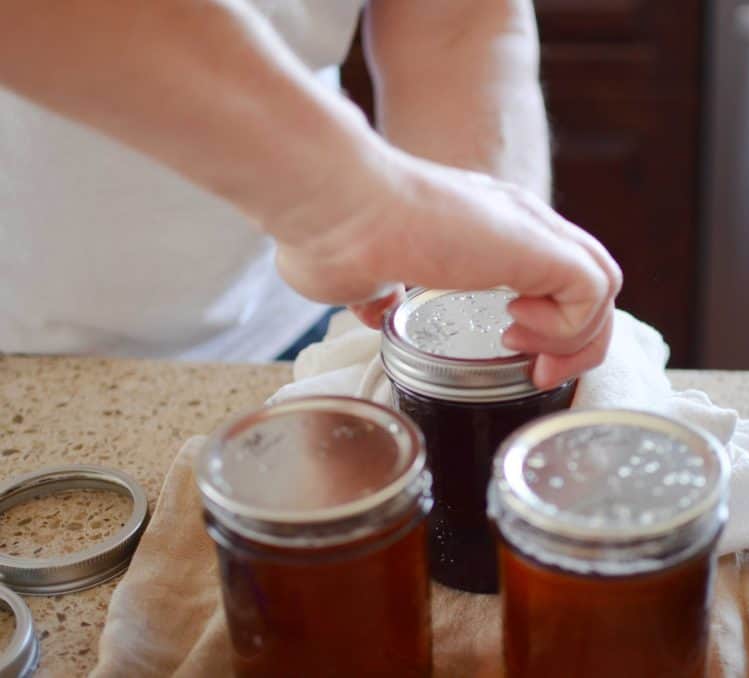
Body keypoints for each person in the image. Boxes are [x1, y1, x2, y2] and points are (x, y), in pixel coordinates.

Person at [0, 1, 621, 390]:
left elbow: (456, 25)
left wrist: (469, 317)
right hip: (21, 351)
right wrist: (351, 208)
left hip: (306, 315)